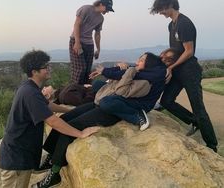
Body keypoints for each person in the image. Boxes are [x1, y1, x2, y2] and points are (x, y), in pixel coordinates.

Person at [31, 52, 170, 188]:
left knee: (71, 127)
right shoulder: (136, 74)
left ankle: (54, 173)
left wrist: (129, 71)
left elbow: (121, 92)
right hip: (101, 102)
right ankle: (51, 156)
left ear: (149, 64)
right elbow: (113, 85)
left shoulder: (145, 82)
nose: (137, 62)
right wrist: (122, 70)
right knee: (64, 119)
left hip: (110, 112)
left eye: (142, 60)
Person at [0, 50, 100, 188]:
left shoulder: (29, 88)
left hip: (21, 153)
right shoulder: (30, 93)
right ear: (35, 72)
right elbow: (52, 121)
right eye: (45, 67)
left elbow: (48, 105)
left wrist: (69, 110)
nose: (48, 69)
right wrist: (80, 134)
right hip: (16, 159)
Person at [150, 0, 218, 152]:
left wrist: (170, 68)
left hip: (190, 71)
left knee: (198, 108)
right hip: (178, 70)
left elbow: (189, 51)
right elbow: (177, 48)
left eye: (162, 9)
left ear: (170, 5)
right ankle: (194, 121)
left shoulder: (184, 23)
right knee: (166, 101)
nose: (160, 12)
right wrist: (166, 53)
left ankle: (212, 145)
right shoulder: (171, 25)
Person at [69, 0, 114, 85]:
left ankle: (85, 91)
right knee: (80, 69)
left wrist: (98, 49)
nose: (107, 11)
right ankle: (74, 90)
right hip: (77, 41)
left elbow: (97, 34)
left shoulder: (101, 18)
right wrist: (77, 42)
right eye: (107, 8)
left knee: (87, 70)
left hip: (89, 44)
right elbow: (76, 24)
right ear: (101, 4)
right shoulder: (86, 9)